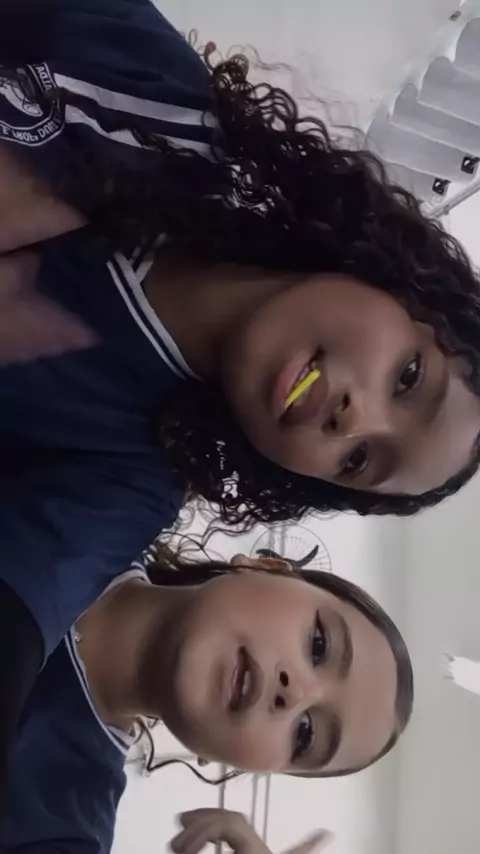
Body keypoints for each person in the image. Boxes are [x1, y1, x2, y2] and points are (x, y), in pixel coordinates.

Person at [0, 0, 474, 806]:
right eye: (406, 378)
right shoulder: (162, 104)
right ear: (398, 281)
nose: (354, 418)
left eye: (359, 460)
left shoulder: (130, 481)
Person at [1, 549, 413, 851]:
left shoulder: (58, 830)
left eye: (305, 734)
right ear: (265, 566)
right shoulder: (101, 486)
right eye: (319, 644)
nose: (296, 695)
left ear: (242, 764)